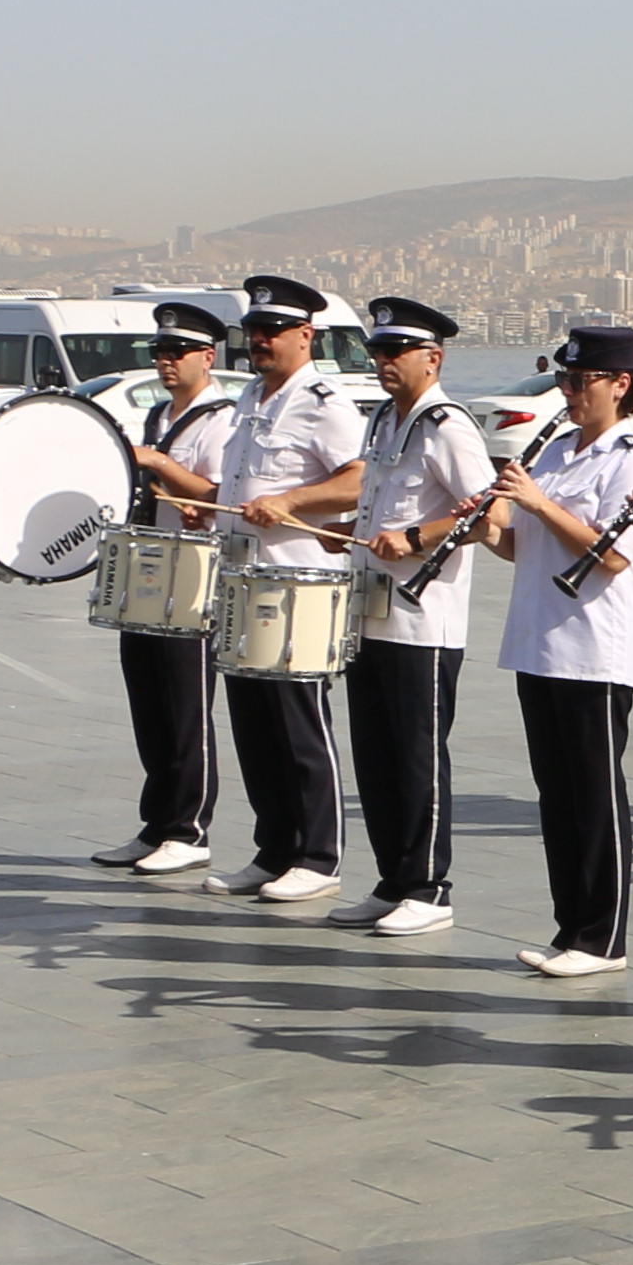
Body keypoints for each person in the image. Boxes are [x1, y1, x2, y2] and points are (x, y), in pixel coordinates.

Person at [260, 297, 493, 937]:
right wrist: (340, 530)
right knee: (378, 757)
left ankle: (429, 886)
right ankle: (393, 880)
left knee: (418, 758)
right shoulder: (385, 423)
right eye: (377, 352)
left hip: (424, 622)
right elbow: (373, 502)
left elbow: (489, 516)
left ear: (433, 358)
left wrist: (416, 538)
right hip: (369, 612)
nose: (384, 362)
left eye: (396, 352)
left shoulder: (447, 426)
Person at [482, 322, 633, 979]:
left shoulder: (630, 458)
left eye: (582, 381)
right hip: (538, 642)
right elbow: (522, 548)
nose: (569, 392)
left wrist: (537, 502)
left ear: (621, 384)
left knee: (594, 794)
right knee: (555, 794)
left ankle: (604, 937)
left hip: (595, 648)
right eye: (564, 378)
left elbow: (613, 554)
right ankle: (571, 928)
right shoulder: (556, 450)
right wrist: (492, 525)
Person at [208, 277, 374, 906]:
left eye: (273, 332)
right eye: (253, 332)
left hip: (298, 582)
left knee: (298, 720)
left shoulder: (324, 402)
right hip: (244, 576)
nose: (259, 342)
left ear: (307, 335)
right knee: (253, 722)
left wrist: (290, 501)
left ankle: (318, 853)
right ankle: (274, 846)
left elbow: (358, 481)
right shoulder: (250, 395)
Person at [95, 300, 241, 878]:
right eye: (159, 352)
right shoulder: (158, 414)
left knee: (186, 707)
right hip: (150, 568)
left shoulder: (220, 418)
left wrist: (157, 462)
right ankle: (156, 822)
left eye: (177, 352)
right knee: (149, 702)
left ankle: (189, 827)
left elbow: (214, 492)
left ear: (208, 357)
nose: (165, 361)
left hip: (193, 574)